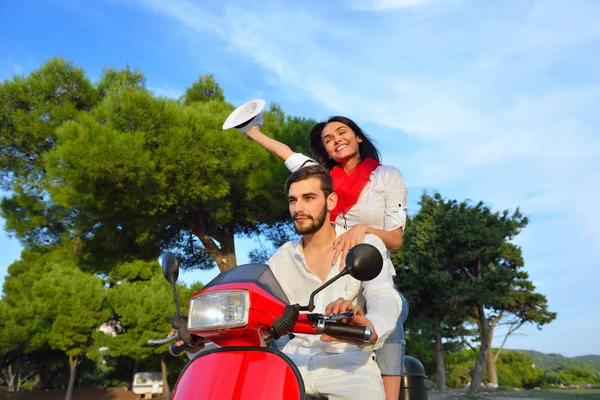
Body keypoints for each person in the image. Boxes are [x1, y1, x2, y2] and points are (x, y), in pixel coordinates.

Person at [243, 116, 408, 400]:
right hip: (326, 256)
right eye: (327, 139)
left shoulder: (386, 176)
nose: (335, 140)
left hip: (366, 262)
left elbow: (394, 240)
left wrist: (363, 230)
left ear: (359, 137)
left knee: (390, 317)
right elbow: (286, 154)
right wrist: (251, 131)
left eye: (342, 133)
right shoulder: (322, 176)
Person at [266, 164, 402, 400]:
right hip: (293, 363)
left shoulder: (365, 245)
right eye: (292, 200)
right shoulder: (281, 258)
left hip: (350, 366)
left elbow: (383, 295)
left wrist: (370, 328)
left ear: (331, 201)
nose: (298, 208)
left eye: (308, 198)